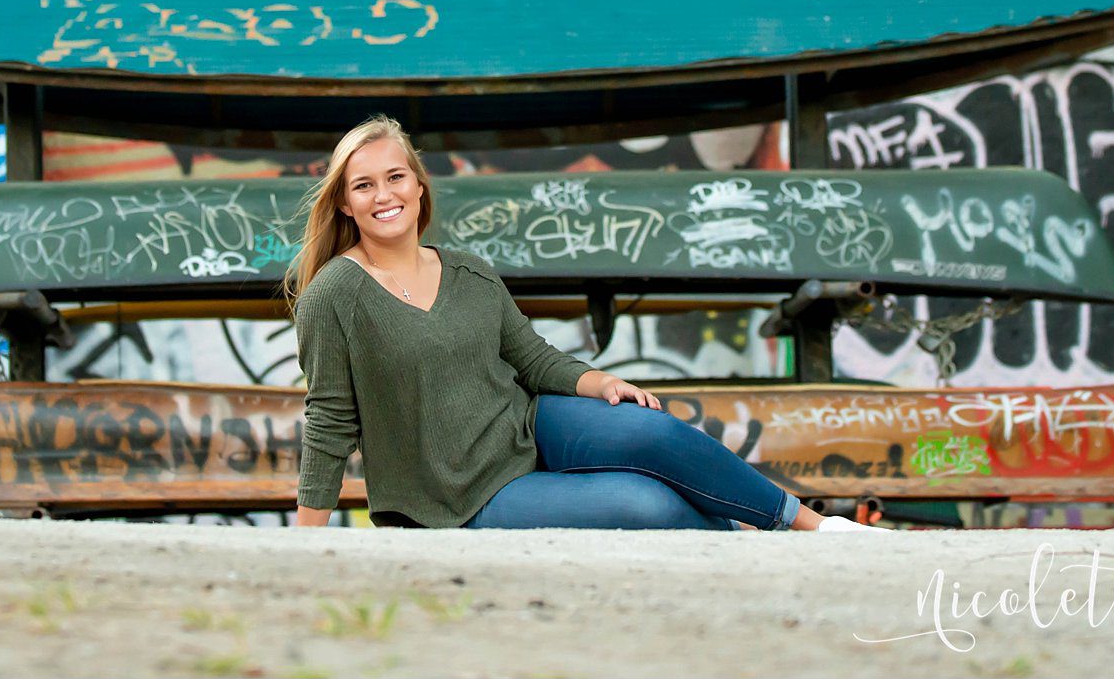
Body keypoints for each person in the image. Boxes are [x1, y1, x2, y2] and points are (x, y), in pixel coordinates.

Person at [288, 113, 879, 533]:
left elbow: (532, 357)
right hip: (461, 494)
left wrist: (601, 384)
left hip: (527, 424)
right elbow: (331, 419)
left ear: (419, 185)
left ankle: (817, 528)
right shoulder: (334, 295)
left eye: (395, 177)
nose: (383, 194)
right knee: (646, 505)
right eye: (363, 185)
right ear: (344, 203)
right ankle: (745, 540)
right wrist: (307, 539)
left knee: (654, 431)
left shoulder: (467, 270)